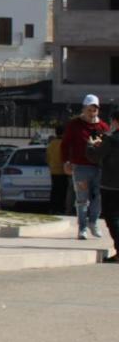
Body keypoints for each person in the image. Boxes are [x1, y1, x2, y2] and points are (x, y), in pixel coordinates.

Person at [63, 94, 110, 240]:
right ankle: (82, 228)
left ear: (98, 110)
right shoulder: (74, 124)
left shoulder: (103, 126)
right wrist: (66, 162)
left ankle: (93, 223)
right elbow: (65, 144)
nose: (92, 113)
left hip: (99, 168)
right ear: (84, 109)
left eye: (94, 110)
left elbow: (108, 147)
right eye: (89, 110)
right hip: (81, 168)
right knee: (82, 199)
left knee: (98, 197)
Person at [86, 108, 119, 263]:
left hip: (111, 185)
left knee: (112, 218)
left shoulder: (111, 140)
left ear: (115, 121)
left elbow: (93, 157)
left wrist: (91, 145)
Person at [47, 125, 68, 215]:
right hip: (63, 170)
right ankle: (60, 209)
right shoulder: (65, 143)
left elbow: (47, 157)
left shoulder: (51, 144)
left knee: (55, 190)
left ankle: (52, 208)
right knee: (63, 191)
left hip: (53, 170)